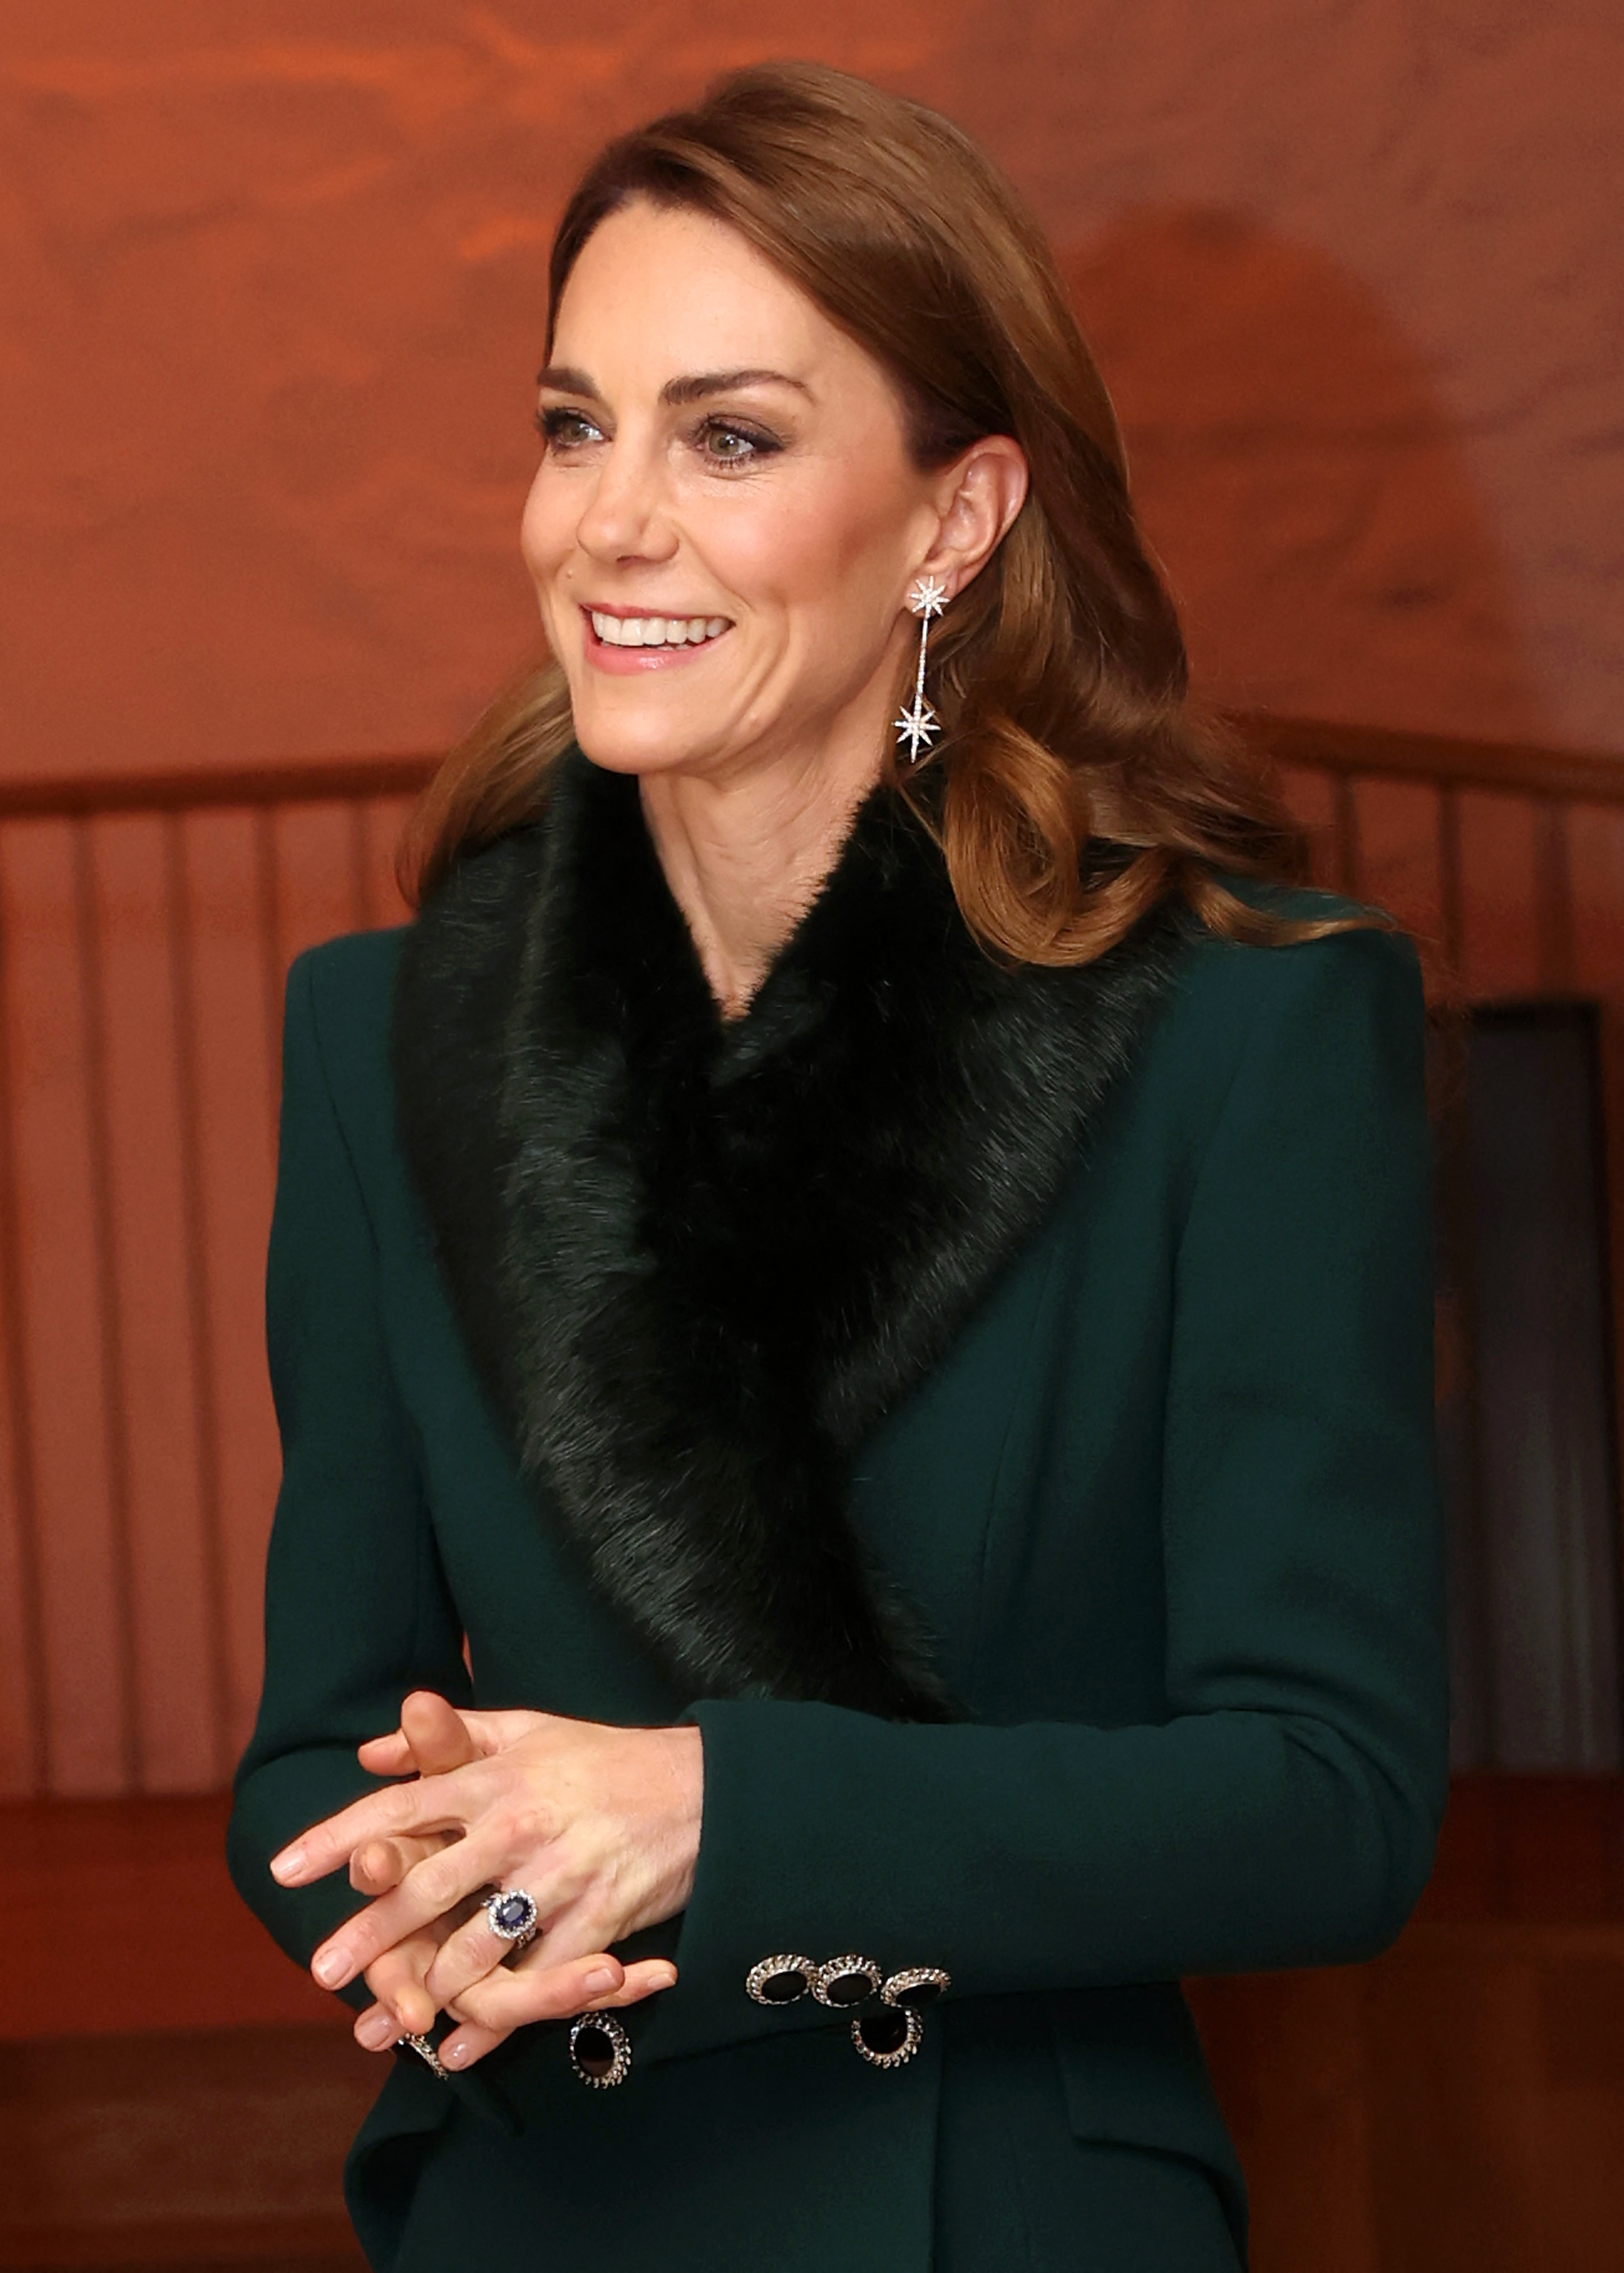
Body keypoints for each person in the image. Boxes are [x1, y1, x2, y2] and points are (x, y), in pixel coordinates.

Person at [227, 60, 1447, 2273]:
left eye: (731, 435)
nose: (607, 519)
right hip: (529, 2194)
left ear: (953, 520)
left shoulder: (1250, 1027)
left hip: (986, 2192)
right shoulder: (377, 1030)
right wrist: (429, 1882)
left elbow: (1327, 1800)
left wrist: (723, 1807)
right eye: (575, 421)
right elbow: (314, 1749)